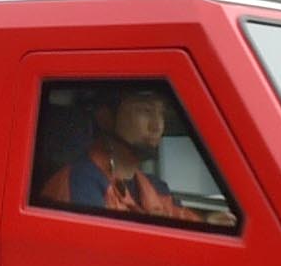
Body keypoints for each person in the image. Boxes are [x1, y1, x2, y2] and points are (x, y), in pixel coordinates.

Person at [35, 86, 209, 225]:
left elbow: (180, 220)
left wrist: (207, 224)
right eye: (145, 111)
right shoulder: (80, 186)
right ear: (106, 118)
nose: (157, 126)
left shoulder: (155, 187)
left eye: (161, 113)